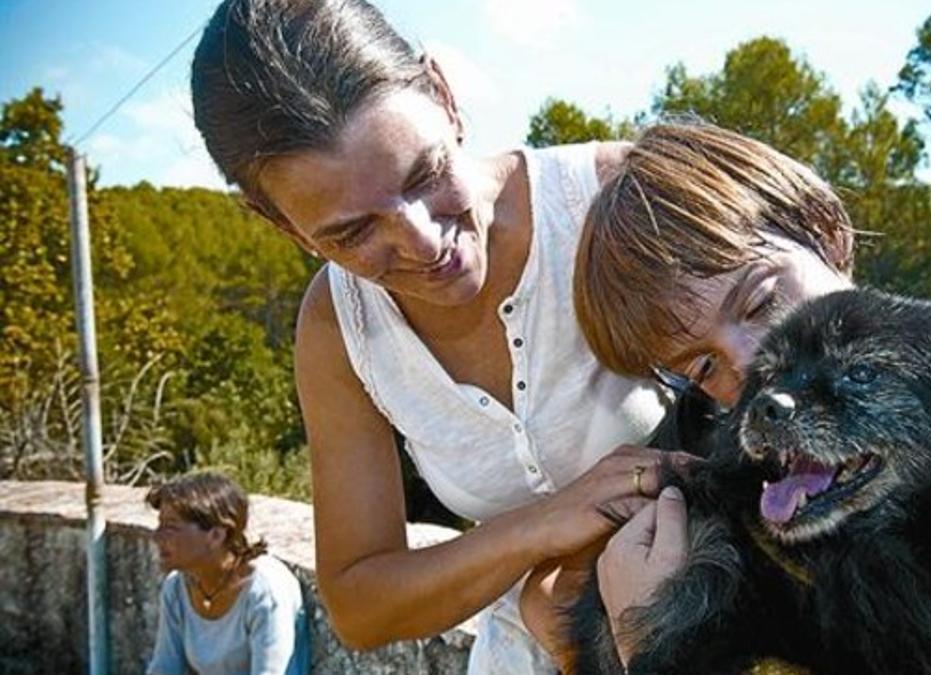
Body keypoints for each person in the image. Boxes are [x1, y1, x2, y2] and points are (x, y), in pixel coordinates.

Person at [190, 1, 670, 672]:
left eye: (426, 173)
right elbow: (360, 603)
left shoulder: (617, 200)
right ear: (277, 222)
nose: (423, 242)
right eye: (353, 233)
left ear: (443, 95)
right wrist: (540, 525)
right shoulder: (336, 327)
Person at [568, 121, 931, 670]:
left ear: (827, 234)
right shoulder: (707, 431)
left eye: (760, 301)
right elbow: (561, 599)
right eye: (705, 365)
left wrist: (644, 640)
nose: (754, 367)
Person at [146, 471, 308, 675]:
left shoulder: (265, 592)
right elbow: (164, 668)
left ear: (216, 535)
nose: (157, 536)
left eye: (171, 527)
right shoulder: (177, 588)